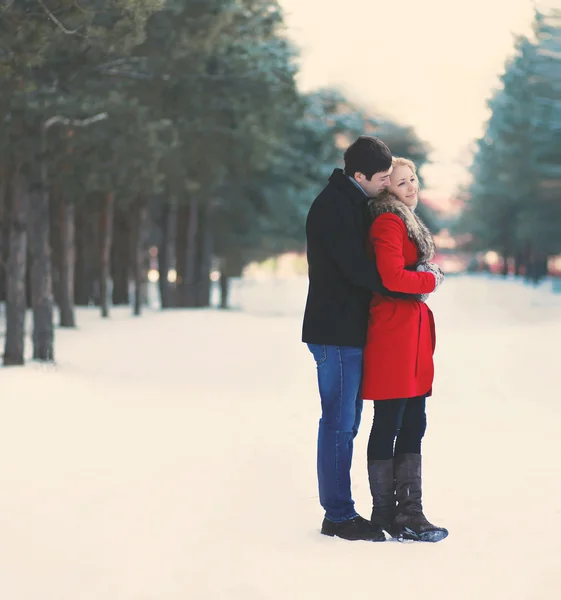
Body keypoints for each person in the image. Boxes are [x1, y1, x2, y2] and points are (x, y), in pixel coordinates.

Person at [302, 136, 398, 542]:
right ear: (359, 175)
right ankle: (338, 515)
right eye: (382, 178)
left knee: (347, 422)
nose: (387, 183)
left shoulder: (353, 200)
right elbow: (357, 270)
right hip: (334, 333)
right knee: (339, 424)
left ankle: (338, 511)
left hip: (346, 330)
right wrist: (406, 286)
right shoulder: (334, 207)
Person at [362, 156, 448, 542]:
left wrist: (423, 279)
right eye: (401, 182)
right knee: (389, 421)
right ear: (387, 189)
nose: (411, 187)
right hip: (393, 335)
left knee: (414, 423)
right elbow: (390, 276)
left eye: (413, 179)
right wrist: (427, 277)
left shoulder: (406, 221)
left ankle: (409, 512)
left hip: (411, 337)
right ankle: (385, 513)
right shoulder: (387, 221)